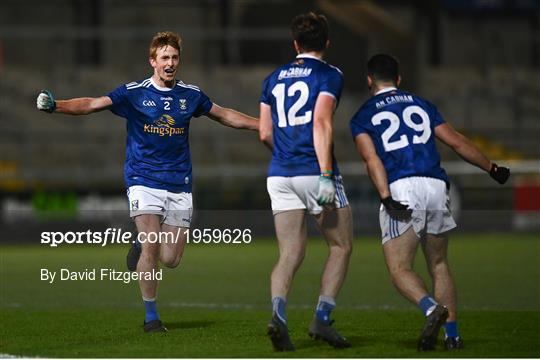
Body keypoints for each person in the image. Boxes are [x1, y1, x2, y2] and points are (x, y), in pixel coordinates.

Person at [36, 31, 258, 333]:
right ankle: (151, 317)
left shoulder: (190, 95)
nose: (170, 63)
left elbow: (224, 115)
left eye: (175, 57)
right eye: (165, 57)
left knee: (171, 258)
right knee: (154, 246)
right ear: (152, 61)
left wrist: (263, 124)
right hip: (143, 179)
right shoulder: (133, 93)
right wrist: (55, 105)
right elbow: (91, 104)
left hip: (179, 183)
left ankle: (139, 243)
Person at [350, 54, 510, 351]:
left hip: (401, 186)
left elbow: (372, 160)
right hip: (436, 185)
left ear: (369, 81)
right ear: (399, 79)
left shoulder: (362, 115)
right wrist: (492, 168)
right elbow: (457, 142)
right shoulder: (422, 105)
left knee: (399, 269)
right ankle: (452, 335)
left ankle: (430, 308)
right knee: (438, 262)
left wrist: (386, 197)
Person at [259, 12, 353, 351]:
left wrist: (285, 154)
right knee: (340, 246)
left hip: (280, 174)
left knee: (289, 253)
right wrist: (326, 174)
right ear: (327, 42)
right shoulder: (330, 74)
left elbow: (264, 132)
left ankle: (278, 315)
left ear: (295, 44)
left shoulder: (272, 78)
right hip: (315, 172)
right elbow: (321, 122)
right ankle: (322, 319)